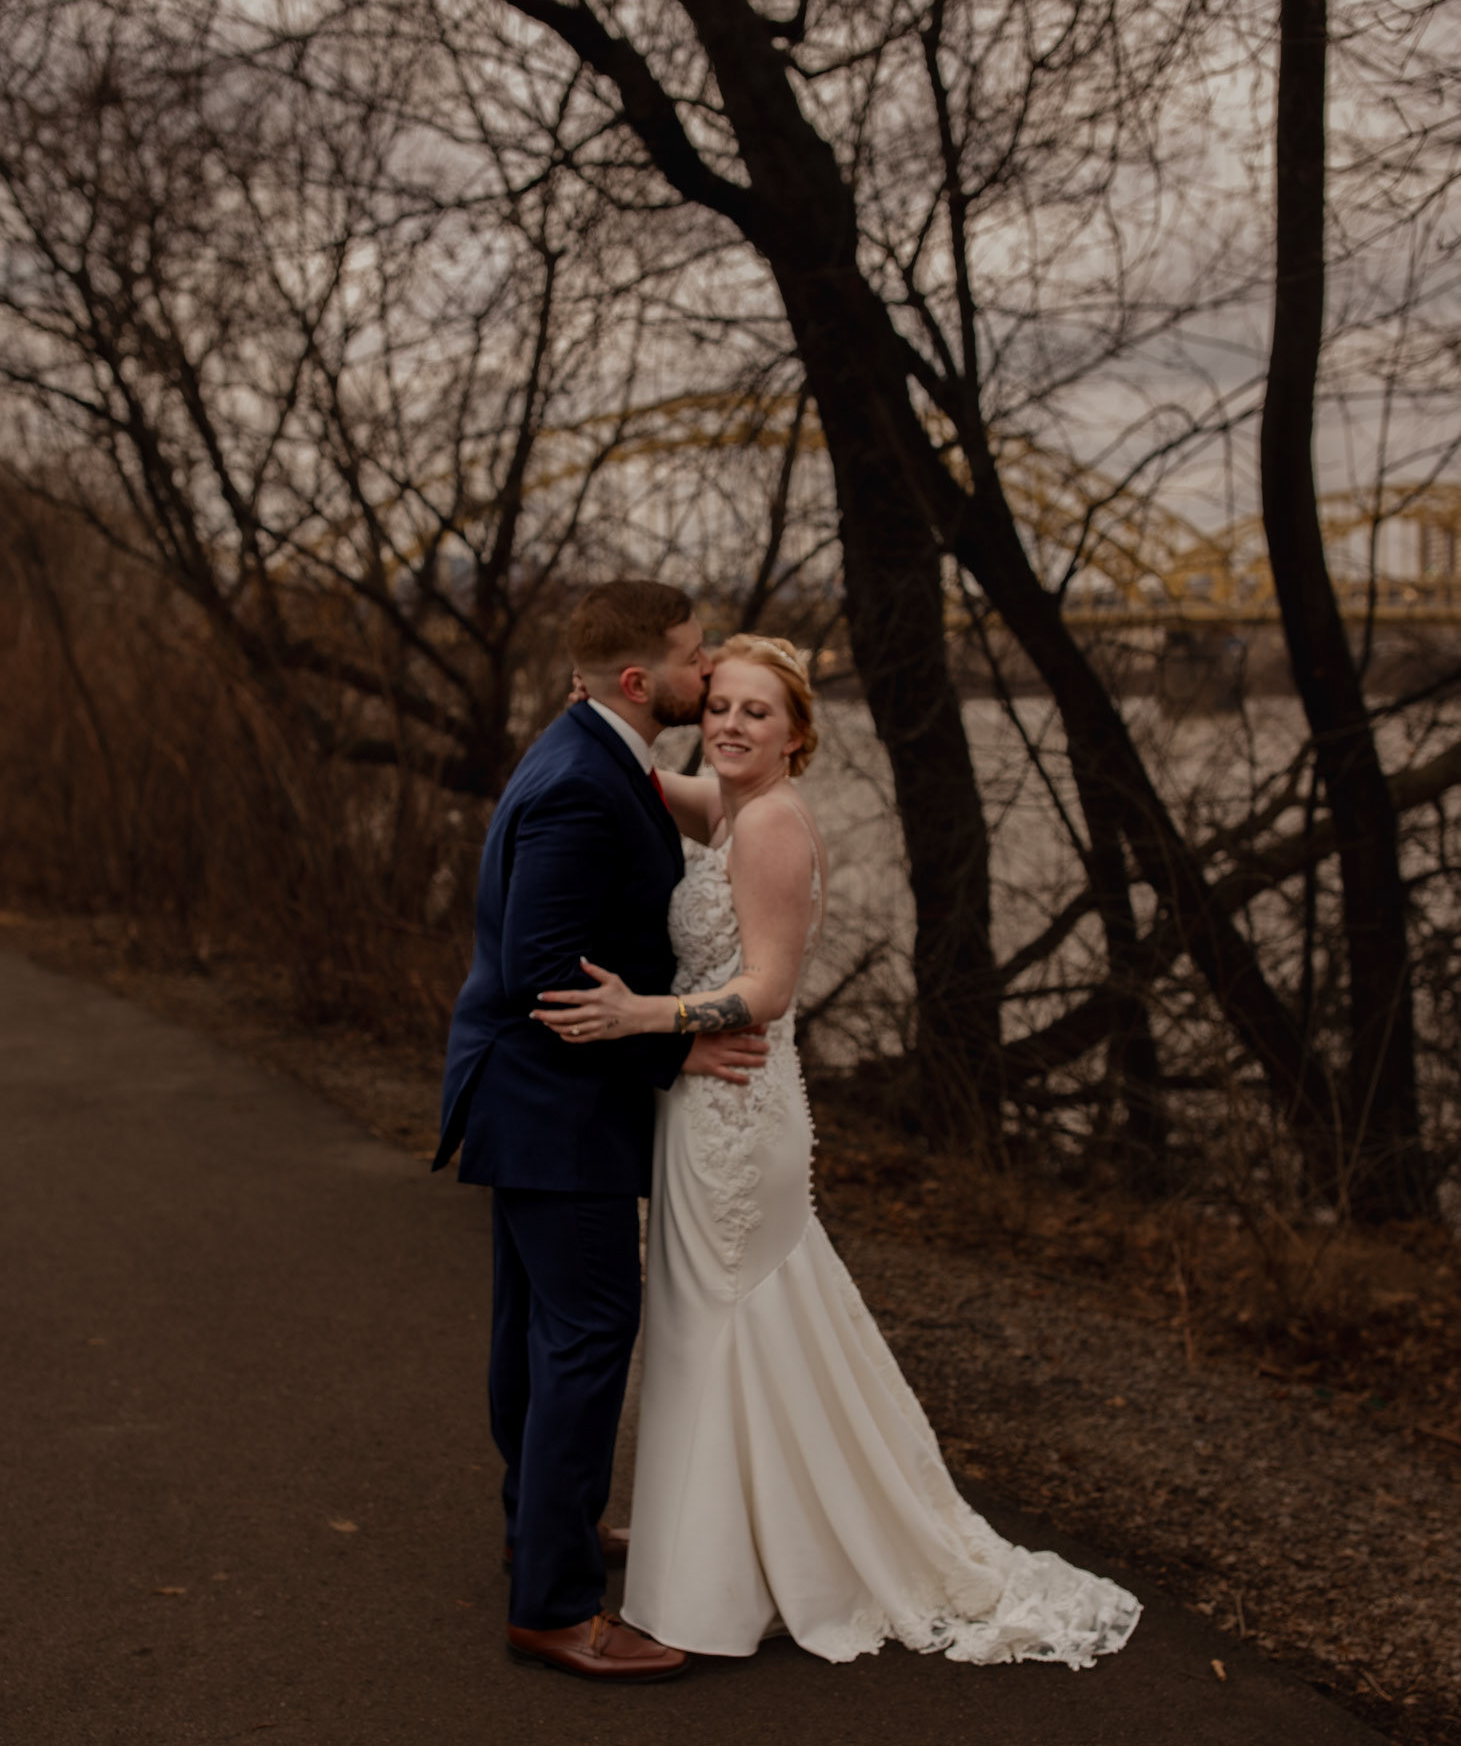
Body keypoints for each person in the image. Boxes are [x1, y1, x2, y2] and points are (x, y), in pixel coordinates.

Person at [535, 634, 1142, 1668]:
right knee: (707, 1332)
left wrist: (644, 1015)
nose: (730, 724)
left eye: (756, 712)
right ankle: (730, 1549)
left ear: (797, 735)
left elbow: (767, 991)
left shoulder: (772, 823)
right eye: (719, 705)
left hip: (737, 1112)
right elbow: (636, 772)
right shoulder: (728, 802)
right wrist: (591, 702)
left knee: (721, 1332)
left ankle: (712, 1586)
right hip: (705, 1108)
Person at [434, 581, 768, 1684]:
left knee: (535, 1329)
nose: (707, 667)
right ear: (639, 679)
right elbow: (545, 973)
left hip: (530, 1097)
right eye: (693, 654)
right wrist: (672, 1047)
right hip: (551, 1106)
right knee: (585, 1334)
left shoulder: (591, 750)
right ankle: (554, 1606)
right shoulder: (582, 783)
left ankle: (543, 1527)